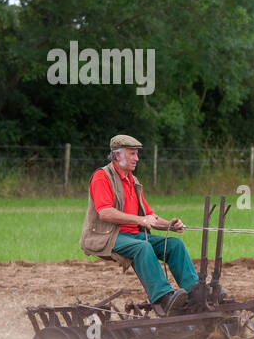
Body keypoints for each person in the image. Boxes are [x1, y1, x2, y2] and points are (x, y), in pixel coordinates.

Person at [79, 134, 201, 316]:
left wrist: (169, 225)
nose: (137, 158)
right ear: (117, 155)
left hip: (134, 236)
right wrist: (139, 220)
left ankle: (197, 294)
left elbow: (149, 215)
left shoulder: (133, 181)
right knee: (142, 248)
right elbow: (105, 212)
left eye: (136, 154)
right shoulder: (101, 177)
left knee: (175, 245)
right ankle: (164, 298)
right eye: (132, 154)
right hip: (108, 237)